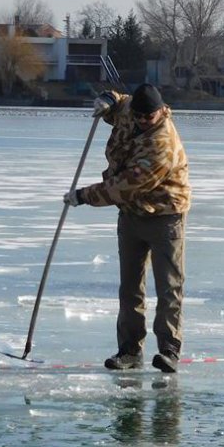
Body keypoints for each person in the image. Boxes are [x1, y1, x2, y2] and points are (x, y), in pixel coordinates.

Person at [63, 83, 190, 373]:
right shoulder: (132, 110)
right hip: (131, 216)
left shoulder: (162, 143)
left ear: (160, 112)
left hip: (165, 215)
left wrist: (83, 196)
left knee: (168, 286)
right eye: (140, 116)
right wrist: (107, 100)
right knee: (130, 288)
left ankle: (169, 350)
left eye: (150, 117)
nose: (144, 121)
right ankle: (130, 350)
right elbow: (120, 103)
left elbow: (124, 188)